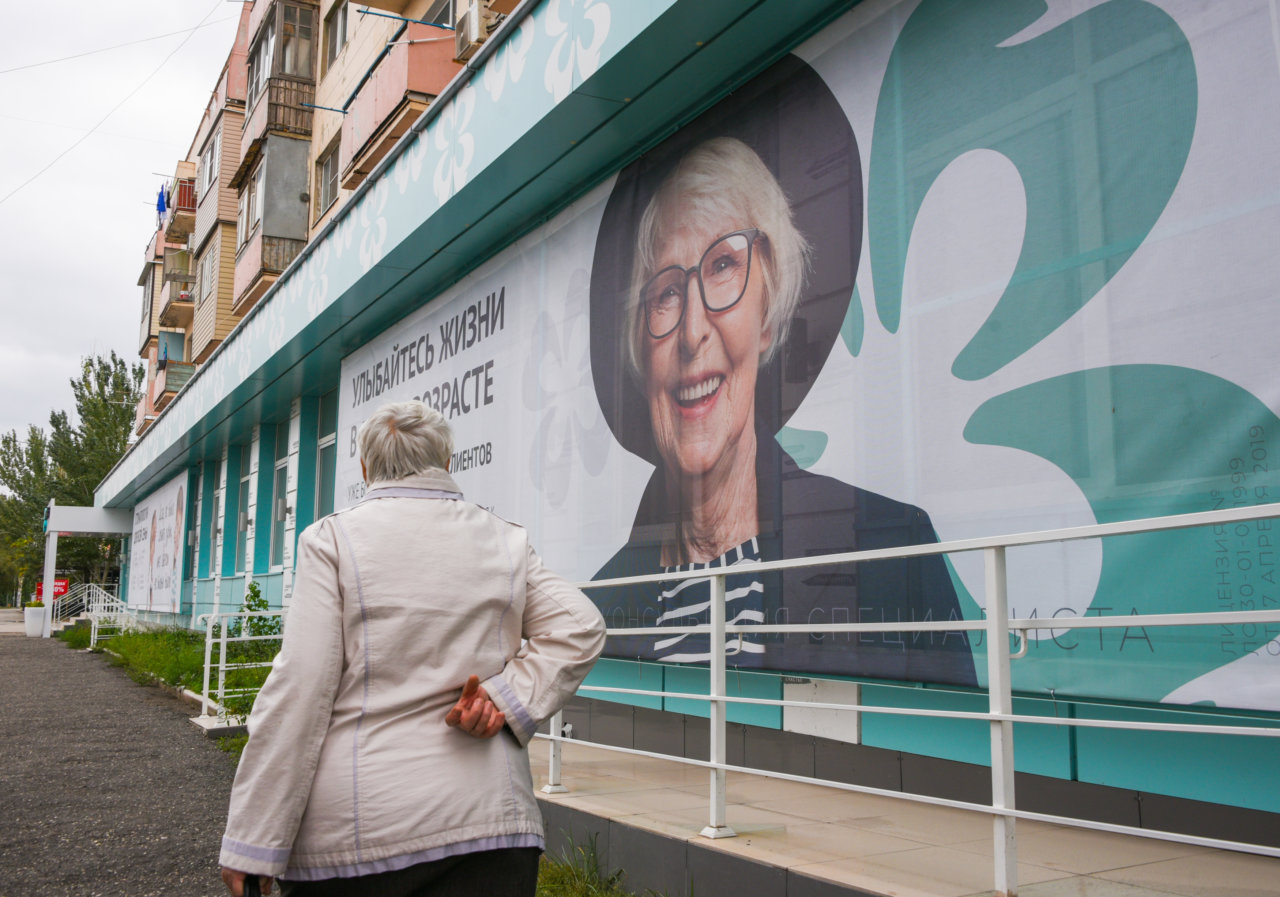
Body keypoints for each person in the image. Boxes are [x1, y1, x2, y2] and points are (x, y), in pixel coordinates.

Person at [591, 135, 975, 685]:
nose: (692, 332)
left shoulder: (894, 553)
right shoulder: (598, 605)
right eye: (665, 295)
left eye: (723, 265)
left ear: (768, 315)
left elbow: (952, 756)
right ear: (638, 349)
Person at [219, 400, 606, 896]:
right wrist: (504, 697)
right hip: (493, 830)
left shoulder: (333, 541)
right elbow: (581, 626)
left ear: (364, 469)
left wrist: (255, 838)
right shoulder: (505, 541)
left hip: (360, 840)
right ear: (448, 463)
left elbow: (300, 688)